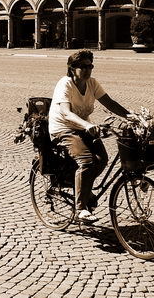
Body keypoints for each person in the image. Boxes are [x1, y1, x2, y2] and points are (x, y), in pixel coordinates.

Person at [48, 49, 132, 223]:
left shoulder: (92, 83)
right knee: (86, 161)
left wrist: (132, 116)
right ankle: (81, 209)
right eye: (83, 66)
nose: (87, 70)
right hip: (63, 128)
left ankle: (83, 188)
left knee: (102, 159)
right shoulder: (65, 84)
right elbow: (66, 113)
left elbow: (109, 103)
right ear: (72, 68)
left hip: (83, 128)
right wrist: (87, 125)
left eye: (90, 66)